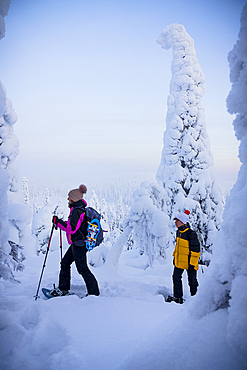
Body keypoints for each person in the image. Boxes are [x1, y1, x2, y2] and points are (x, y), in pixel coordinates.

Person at [49, 184, 100, 297]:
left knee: (82, 269)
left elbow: (71, 229)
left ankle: (93, 293)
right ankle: (63, 289)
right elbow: (73, 226)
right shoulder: (78, 210)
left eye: (69, 197)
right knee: (65, 263)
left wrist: (58, 223)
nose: (68, 199)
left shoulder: (77, 211)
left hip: (79, 245)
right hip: (77, 243)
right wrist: (61, 222)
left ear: (74, 199)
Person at [166, 210, 200, 304]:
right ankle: (177, 297)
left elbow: (196, 250)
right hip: (180, 261)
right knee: (176, 277)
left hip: (190, 263)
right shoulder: (179, 232)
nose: (176, 223)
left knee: (192, 281)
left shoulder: (191, 234)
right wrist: (175, 258)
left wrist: (193, 263)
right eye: (175, 221)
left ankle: (195, 300)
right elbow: (178, 247)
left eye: (177, 221)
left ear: (183, 222)